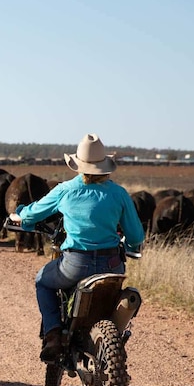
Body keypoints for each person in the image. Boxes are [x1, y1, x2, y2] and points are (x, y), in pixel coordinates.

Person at [10, 133, 144, 362]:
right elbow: (136, 235)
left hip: (75, 264)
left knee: (43, 281)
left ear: (78, 165)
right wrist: (130, 244)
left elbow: (34, 213)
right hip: (112, 265)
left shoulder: (66, 190)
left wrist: (20, 216)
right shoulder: (119, 193)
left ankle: (53, 334)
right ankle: (113, 339)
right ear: (105, 166)